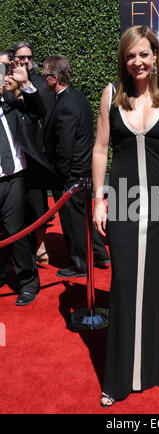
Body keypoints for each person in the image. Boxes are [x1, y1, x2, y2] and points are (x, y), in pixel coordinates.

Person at [92, 25, 159, 407]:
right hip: (122, 200)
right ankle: (117, 378)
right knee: (123, 284)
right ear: (124, 58)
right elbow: (101, 148)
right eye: (131, 55)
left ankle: (151, 369)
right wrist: (99, 199)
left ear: (156, 56)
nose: (138, 61)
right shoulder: (110, 95)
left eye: (144, 54)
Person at [42, 54, 109, 277]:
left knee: (73, 223)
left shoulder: (67, 104)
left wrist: (59, 175)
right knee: (82, 218)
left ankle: (80, 264)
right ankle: (99, 253)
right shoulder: (78, 96)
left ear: (54, 77)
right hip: (81, 172)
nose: (44, 81)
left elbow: (65, 148)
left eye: (45, 76)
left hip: (72, 175)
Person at [0, 61, 48, 305]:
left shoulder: (11, 104)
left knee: (16, 232)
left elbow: (38, 110)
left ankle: (28, 282)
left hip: (13, 180)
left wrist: (26, 83)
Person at [7, 41, 57, 263]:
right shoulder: (5, 84)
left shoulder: (39, 83)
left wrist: (24, 86)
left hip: (35, 154)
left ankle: (40, 247)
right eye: (21, 57)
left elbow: (42, 113)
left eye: (28, 57)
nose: (25, 61)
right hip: (12, 158)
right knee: (16, 210)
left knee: (38, 207)